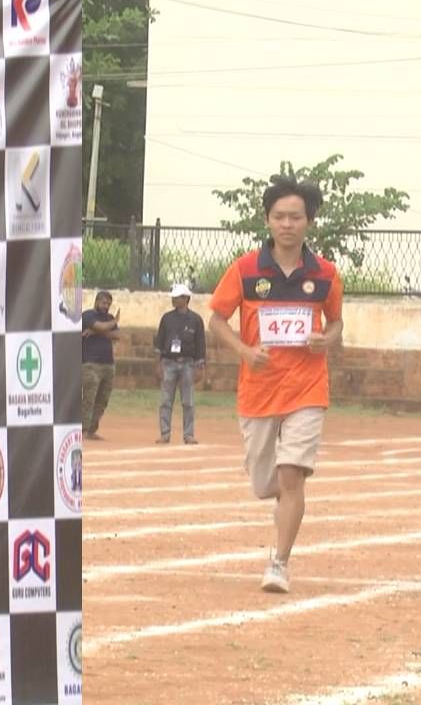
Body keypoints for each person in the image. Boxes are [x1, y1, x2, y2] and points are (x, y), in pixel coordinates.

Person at [208, 176, 343, 594]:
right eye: (280, 216)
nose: (288, 224)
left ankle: (279, 563)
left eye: (296, 217)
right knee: (266, 482)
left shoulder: (325, 274)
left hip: (307, 388)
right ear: (267, 220)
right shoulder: (246, 269)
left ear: (309, 221)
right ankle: (278, 502)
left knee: (291, 477)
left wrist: (327, 339)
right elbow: (215, 320)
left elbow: (336, 321)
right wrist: (246, 352)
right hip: (259, 390)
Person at [154, 283, 206, 444]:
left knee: (188, 401)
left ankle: (188, 434)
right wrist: (158, 364)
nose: (174, 300)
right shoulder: (167, 318)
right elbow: (159, 341)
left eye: (177, 298)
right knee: (165, 400)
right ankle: (165, 434)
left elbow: (200, 344)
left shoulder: (196, 320)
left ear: (186, 299)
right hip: (168, 362)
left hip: (188, 364)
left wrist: (200, 367)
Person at [81, 291, 120, 441]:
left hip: (108, 364)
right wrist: (114, 321)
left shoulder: (108, 318)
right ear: (97, 301)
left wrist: (97, 332)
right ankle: (83, 429)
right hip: (90, 363)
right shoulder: (88, 315)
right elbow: (101, 326)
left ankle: (92, 429)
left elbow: (117, 336)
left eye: (108, 304)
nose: (106, 306)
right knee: (89, 398)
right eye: (104, 303)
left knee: (103, 399)